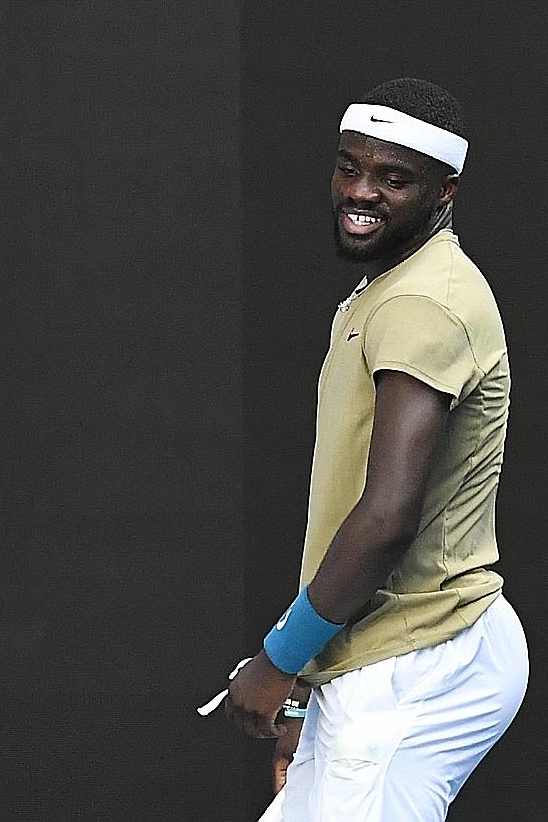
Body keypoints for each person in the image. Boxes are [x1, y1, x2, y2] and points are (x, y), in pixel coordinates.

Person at [224, 78, 527, 821]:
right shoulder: (393, 287)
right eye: (348, 168)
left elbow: (387, 517)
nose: (361, 192)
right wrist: (309, 679)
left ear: (444, 191)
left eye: (394, 179)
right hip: (382, 654)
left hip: (415, 662)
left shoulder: (423, 302)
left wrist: (280, 659)